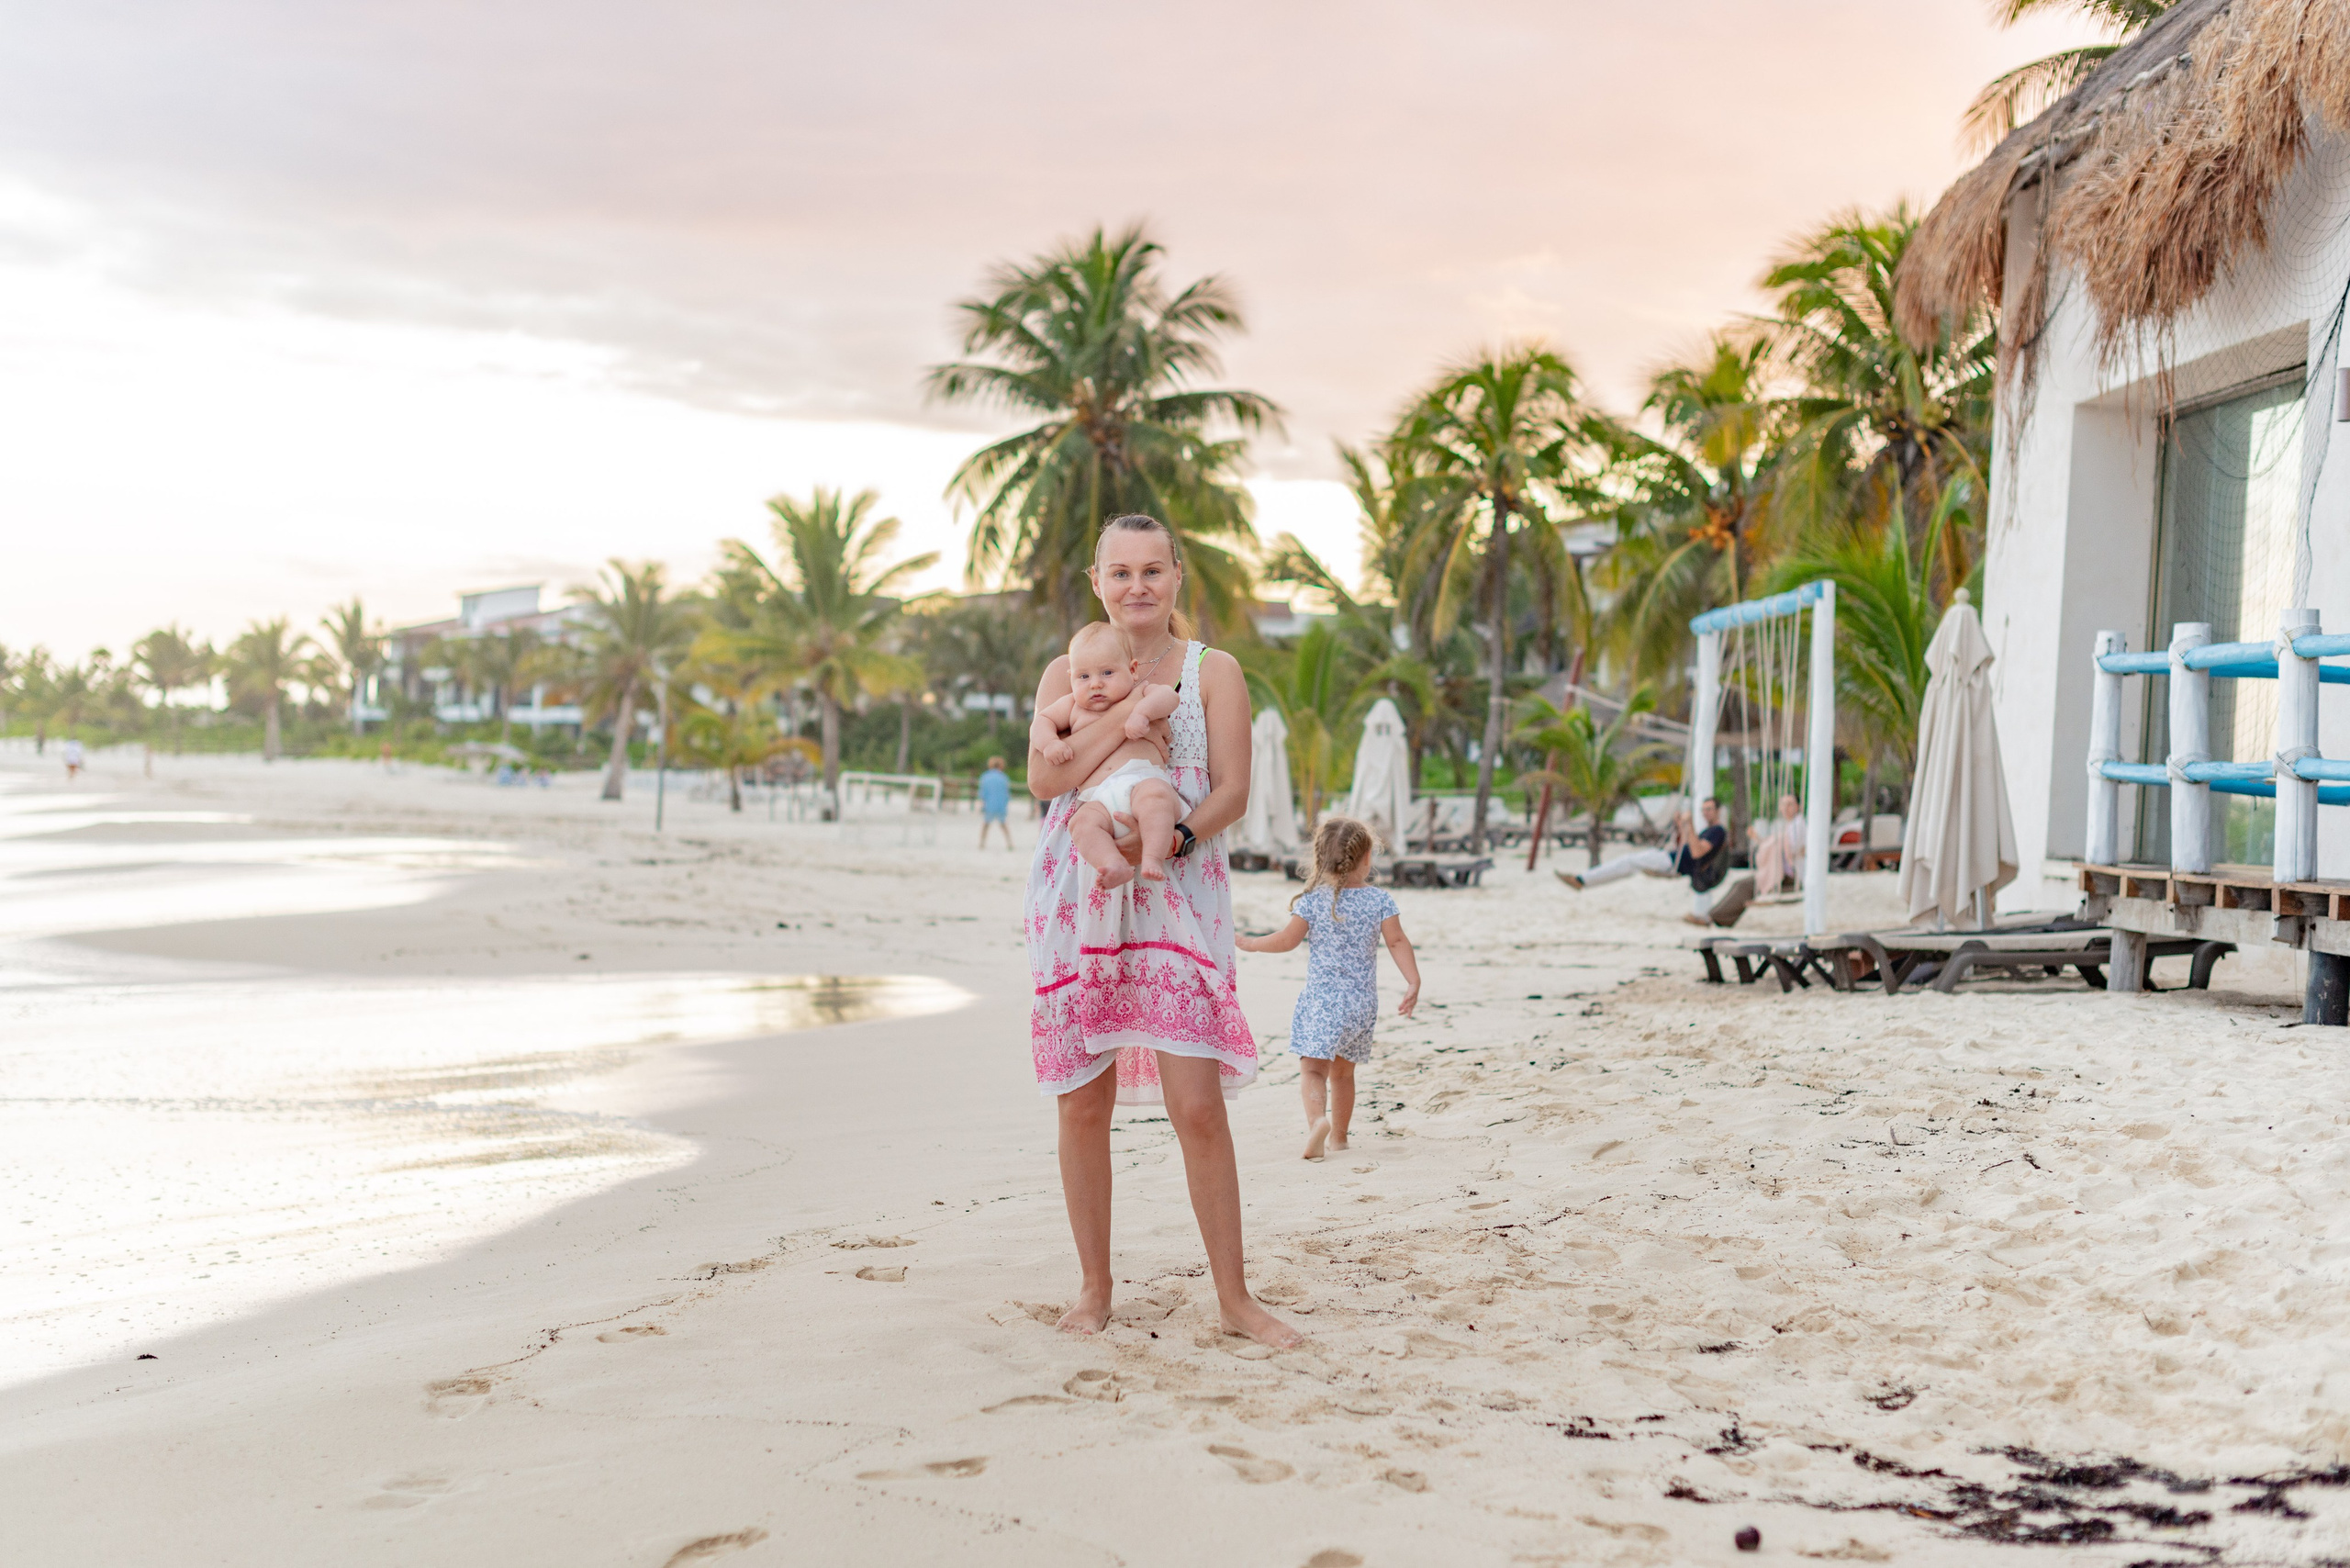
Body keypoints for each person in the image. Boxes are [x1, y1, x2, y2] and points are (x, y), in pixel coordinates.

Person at [1024, 512, 1296, 1350]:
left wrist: (1171, 838)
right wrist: (1120, 717)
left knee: (1197, 1103)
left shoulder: (1214, 671)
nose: (1136, 586)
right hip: (1081, 886)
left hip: (1179, 886)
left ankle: (1235, 1298)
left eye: (1152, 571)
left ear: (1178, 575)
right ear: (1098, 581)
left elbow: (1233, 791)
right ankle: (1094, 1289)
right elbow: (1045, 779)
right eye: (1120, 573)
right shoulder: (1064, 673)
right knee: (1082, 1102)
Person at [1237, 816, 1421, 1162]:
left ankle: (1317, 1122)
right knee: (1344, 1074)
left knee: (1312, 1070)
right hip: (1361, 1005)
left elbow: (1287, 941)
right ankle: (1339, 1138)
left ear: (1320, 859)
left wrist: (1251, 943)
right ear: (1366, 859)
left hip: (1323, 1002)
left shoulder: (1314, 902)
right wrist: (1413, 981)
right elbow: (1397, 942)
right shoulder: (1379, 901)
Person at [1029, 622, 1182, 887]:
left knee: (1156, 799)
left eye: (1108, 673)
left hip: (1142, 782)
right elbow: (1041, 723)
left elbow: (1169, 697)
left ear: (1132, 670)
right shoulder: (1073, 706)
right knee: (1081, 824)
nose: (1096, 684)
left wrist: (1142, 712)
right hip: (1097, 798)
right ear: (1071, 678)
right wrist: (1050, 744)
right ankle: (1112, 863)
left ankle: (1153, 857)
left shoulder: (1140, 692)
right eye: (1083, 677)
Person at [1557, 797, 1753, 927]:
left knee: (1628, 861)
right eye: (1703, 810)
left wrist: (1690, 826)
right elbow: (1687, 846)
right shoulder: (1707, 830)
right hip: (1672, 858)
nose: (1705, 813)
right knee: (1629, 862)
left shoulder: (1718, 831)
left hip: (1671, 862)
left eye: (1709, 809)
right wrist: (1682, 827)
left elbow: (1697, 852)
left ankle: (1582, 880)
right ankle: (1583, 880)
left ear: (1718, 811)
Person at [1751, 791, 1806, 895]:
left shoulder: (1798, 824)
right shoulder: (1788, 825)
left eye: (1790, 804)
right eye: (1783, 804)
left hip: (1793, 874)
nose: (1785, 808)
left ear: (1797, 806)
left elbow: (1792, 849)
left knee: (1747, 886)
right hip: (1786, 872)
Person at [977, 756, 1015, 850]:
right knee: (1003, 825)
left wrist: (982, 804)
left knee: (986, 825)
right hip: (1000, 805)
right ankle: (1009, 843)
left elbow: (983, 793)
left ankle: (982, 843)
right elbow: (1006, 794)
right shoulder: (1003, 777)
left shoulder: (985, 777)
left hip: (989, 805)